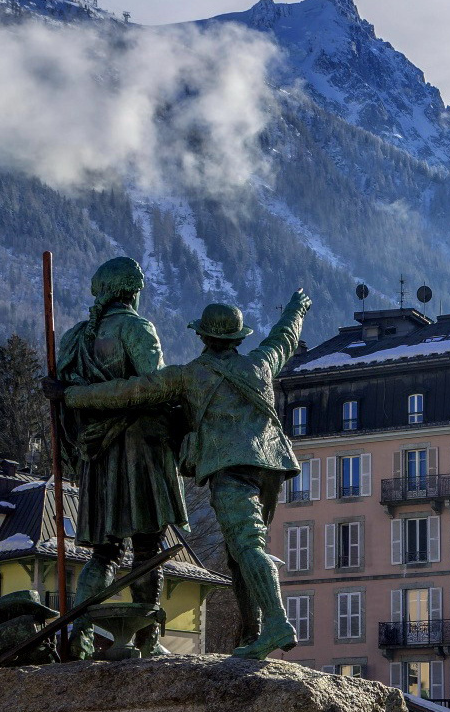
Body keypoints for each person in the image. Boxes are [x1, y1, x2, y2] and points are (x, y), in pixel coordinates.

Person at [53, 289, 312, 659]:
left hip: (231, 469)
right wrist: (296, 307)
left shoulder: (188, 377)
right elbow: (284, 336)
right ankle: (252, 634)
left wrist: (71, 396)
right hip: (271, 467)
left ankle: (275, 624)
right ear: (238, 339)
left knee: (247, 545)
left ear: (203, 337)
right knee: (242, 551)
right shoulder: (260, 362)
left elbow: (127, 392)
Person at [53, 256, 189, 659]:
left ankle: (78, 634)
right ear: (130, 290)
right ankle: (149, 639)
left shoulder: (76, 337)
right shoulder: (136, 328)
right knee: (148, 546)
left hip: (97, 454)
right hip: (138, 450)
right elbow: (157, 386)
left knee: (104, 551)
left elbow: (63, 403)